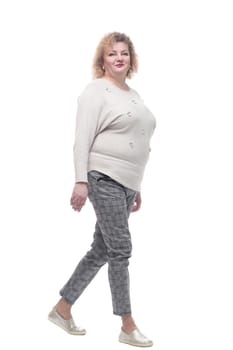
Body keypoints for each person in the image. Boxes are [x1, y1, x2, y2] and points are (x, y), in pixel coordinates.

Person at [48, 31, 156, 347]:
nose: (119, 58)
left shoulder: (134, 95)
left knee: (102, 250)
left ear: (131, 59)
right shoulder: (96, 91)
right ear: (102, 61)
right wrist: (80, 180)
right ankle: (127, 324)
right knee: (121, 249)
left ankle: (62, 309)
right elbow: (82, 138)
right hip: (103, 178)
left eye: (124, 53)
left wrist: (136, 187)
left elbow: (137, 141)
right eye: (112, 54)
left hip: (126, 184)